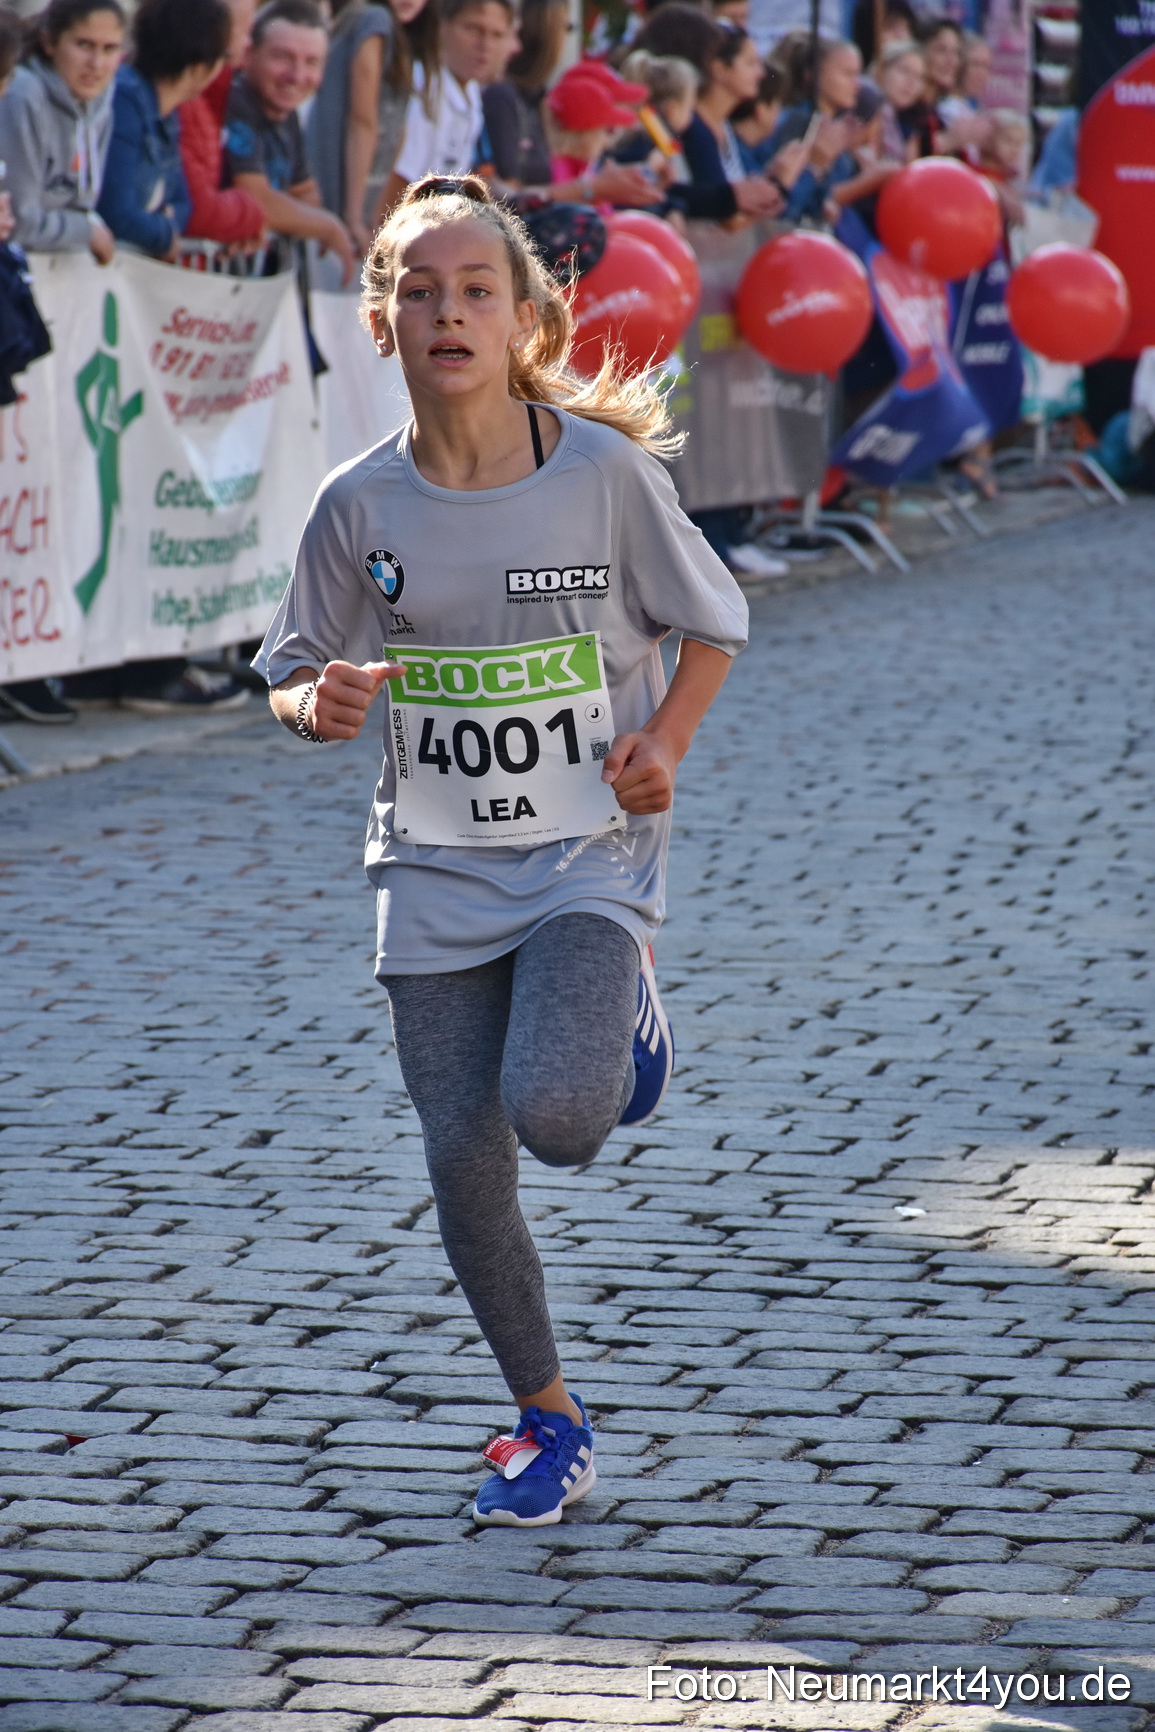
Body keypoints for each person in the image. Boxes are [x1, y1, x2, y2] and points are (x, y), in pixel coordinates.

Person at [255, 171, 747, 1527]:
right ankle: (547, 1417)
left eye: (477, 290)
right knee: (462, 1155)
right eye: (420, 293)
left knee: (561, 1117)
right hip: (430, 864)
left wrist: (666, 743)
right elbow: (290, 670)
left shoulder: (601, 477)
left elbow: (713, 623)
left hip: (589, 851)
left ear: (523, 318)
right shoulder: (357, 504)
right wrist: (315, 704)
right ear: (383, 325)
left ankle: (623, 1006)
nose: (448, 312)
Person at [223, 0, 356, 282]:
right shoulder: (233, 101)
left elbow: (306, 194)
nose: (297, 76)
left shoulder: (287, 113)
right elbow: (256, 198)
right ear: (249, 54)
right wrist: (327, 226)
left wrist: (285, 216)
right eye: (282, 57)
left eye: (312, 62)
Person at [97, 0, 229, 260]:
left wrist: (157, 227)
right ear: (199, 69)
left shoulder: (167, 113)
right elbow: (116, 213)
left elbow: (183, 205)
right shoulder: (125, 102)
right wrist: (164, 233)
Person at [0, 0, 123, 262]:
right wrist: (86, 232)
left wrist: (84, 227)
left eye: (110, 49)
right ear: (49, 42)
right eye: (84, 45)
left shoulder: (101, 103)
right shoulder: (23, 95)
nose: (96, 63)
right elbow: (19, 222)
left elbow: (82, 205)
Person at [381, 0, 514, 205]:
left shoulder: (471, 92)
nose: (485, 45)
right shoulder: (424, 88)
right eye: (473, 29)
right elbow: (397, 186)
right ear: (441, 27)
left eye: (497, 35)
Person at [180, 0, 267, 249]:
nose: (249, 43)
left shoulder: (210, 97)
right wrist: (252, 214)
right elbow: (196, 208)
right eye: (244, 30)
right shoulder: (182, 103)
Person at [480, 0, 565, 188]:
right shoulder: (501, 96)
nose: (515, 47)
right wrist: (589, 189)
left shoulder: (535, 97)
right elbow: (507, 193)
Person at [545, 65, 638, 190]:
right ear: (583, 134)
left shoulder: (583, 164)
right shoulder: (557, 169)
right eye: (607, 130)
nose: (607, 142)